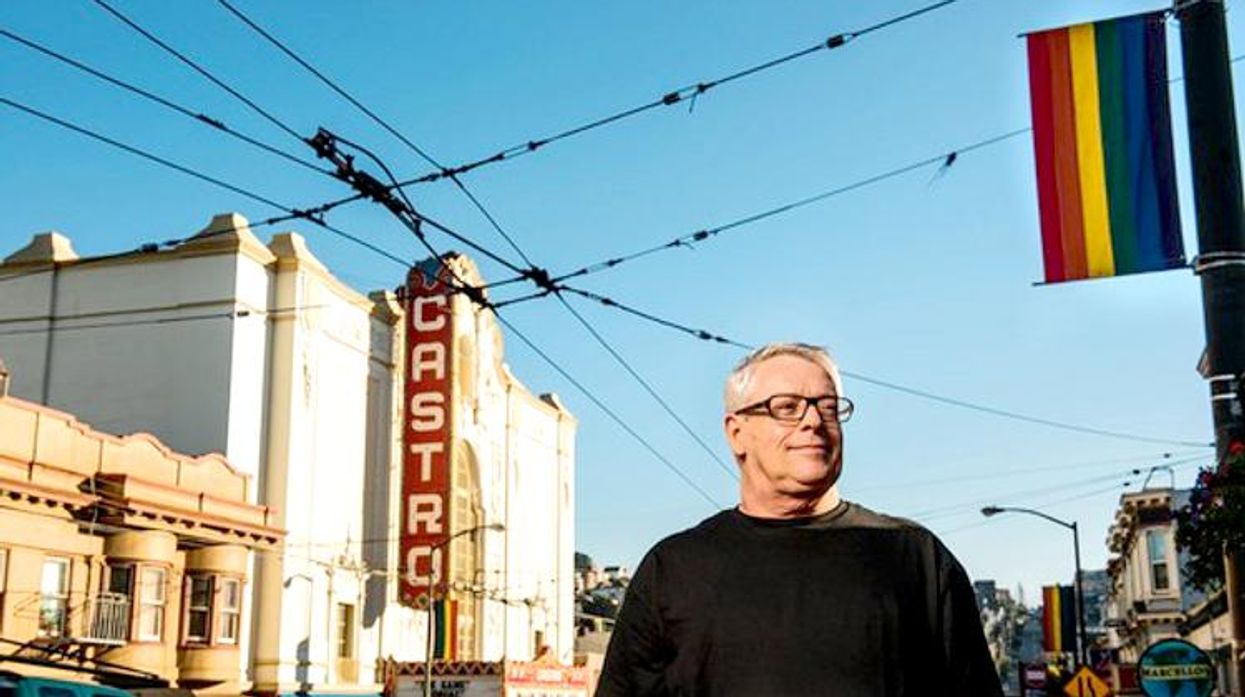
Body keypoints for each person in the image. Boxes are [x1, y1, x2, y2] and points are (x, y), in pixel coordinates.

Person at [595, 342, 1002, 697]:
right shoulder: (672, 569)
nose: (813, 421)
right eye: (786, 407)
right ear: (737, 433)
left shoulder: (917, 557)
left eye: (828, 407)